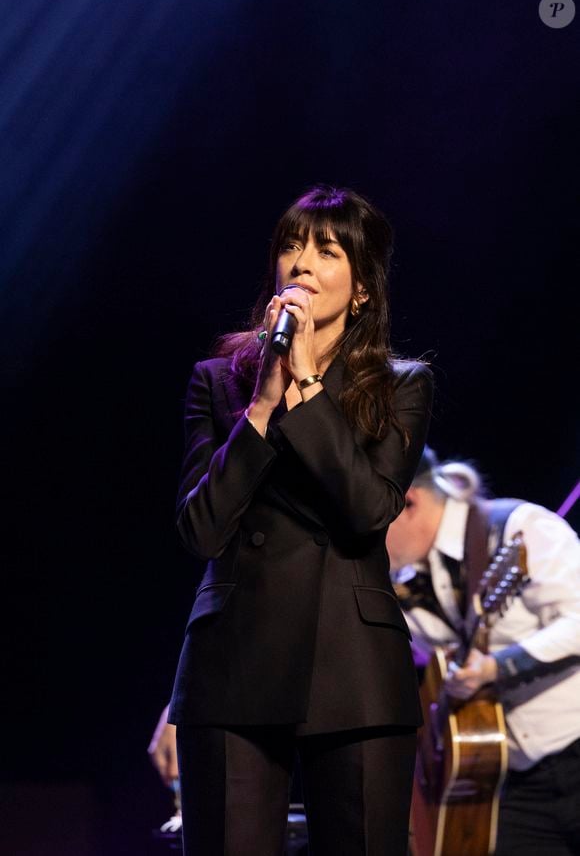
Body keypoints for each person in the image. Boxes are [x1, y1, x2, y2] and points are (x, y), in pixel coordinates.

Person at [166, 184, 434, 855]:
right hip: (233, 660)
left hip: (355, 663)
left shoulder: (400, 385)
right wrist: (262, 407)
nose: (303, 262)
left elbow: (371, 510)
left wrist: (310, 389)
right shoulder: (220, 381)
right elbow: (200, 528)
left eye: (327, 248)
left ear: (364, 287)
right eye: (291, 246)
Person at [386, 447, 580, 856]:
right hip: (513, 780)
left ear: (409, 502)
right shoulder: (408, 588)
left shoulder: (518, 528)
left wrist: (496, 667)